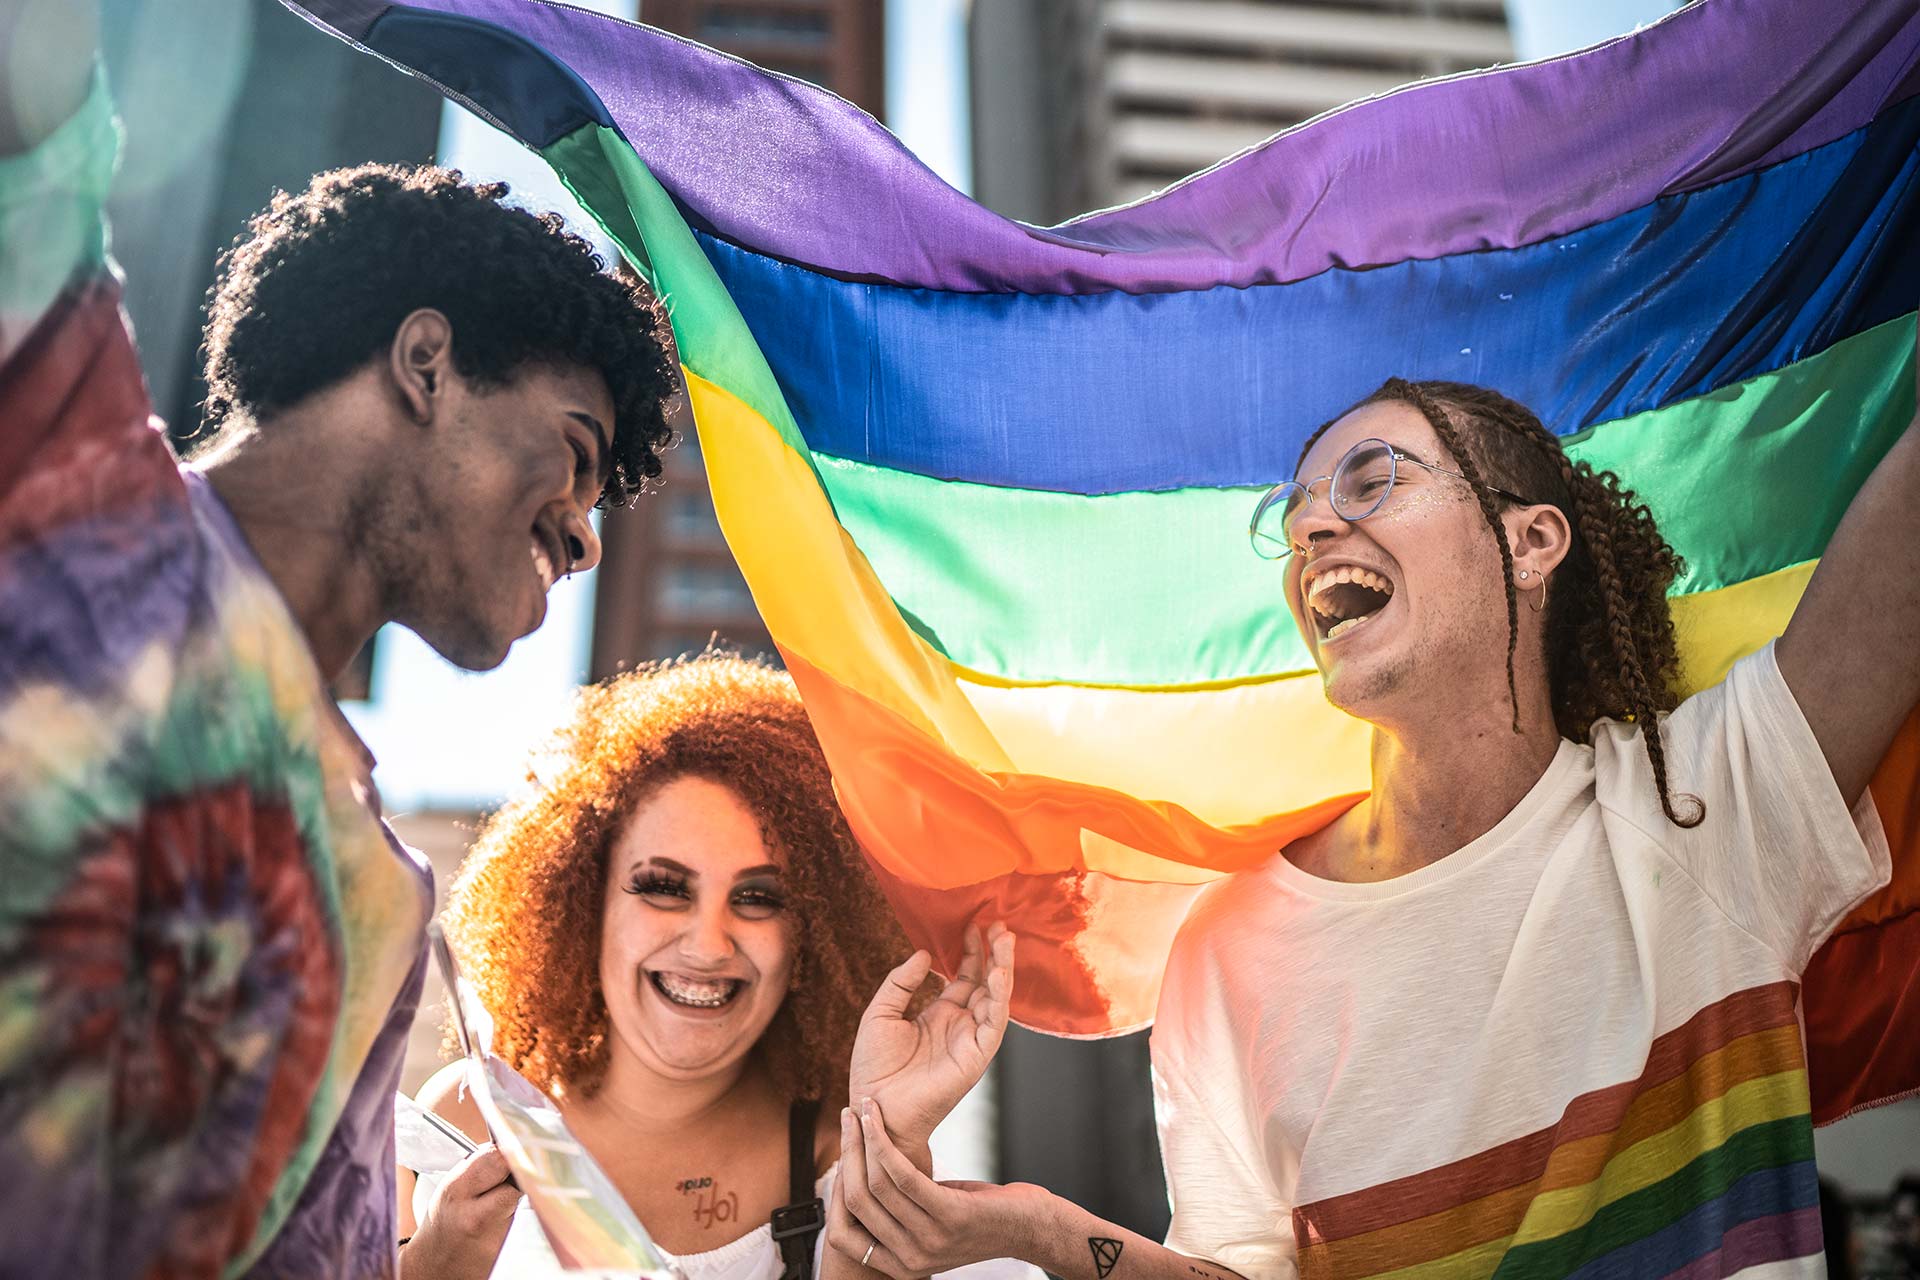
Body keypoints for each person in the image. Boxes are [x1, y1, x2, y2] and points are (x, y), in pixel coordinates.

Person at [823, 362, 1917, 1279]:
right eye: (1294, 511)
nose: (1310, 526)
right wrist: (1038, 1230)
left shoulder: (1710, 807)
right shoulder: (1230, 950)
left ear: (1532, 542)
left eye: (1373, 478)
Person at [0, 2, 679, 1274]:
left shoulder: (375, 894)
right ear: (426, 363)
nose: (586, 540)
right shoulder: (57, 459)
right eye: (576, 454)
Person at [402, 654, 1034, 1280]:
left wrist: (889, 1148)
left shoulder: (841, 1147)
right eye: (663, 888)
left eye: (758, 897)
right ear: (583, 901)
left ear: (813, 932)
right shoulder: (471, 1115)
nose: (708, 946)